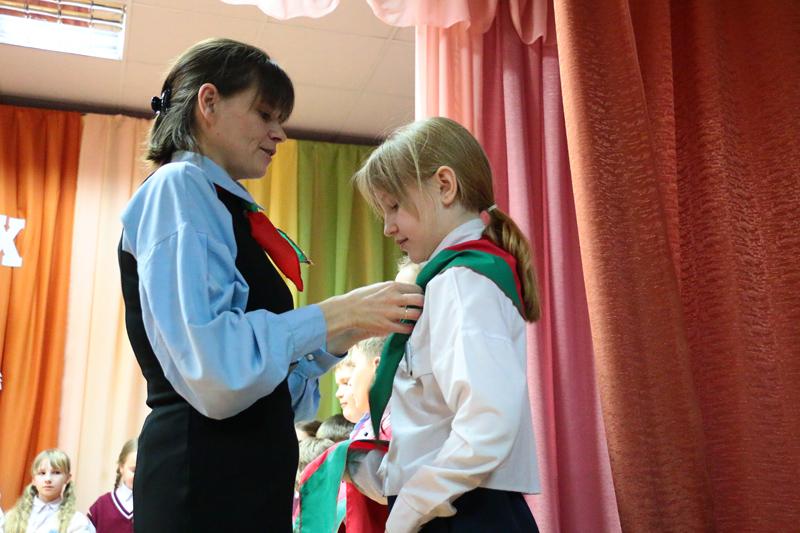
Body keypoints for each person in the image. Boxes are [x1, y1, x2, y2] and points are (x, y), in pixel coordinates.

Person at [117, 38, 423, 533]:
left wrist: (341, 334)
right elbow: (215, 373)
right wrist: (337, 314)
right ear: (209, 102)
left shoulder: (223, 205)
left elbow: (272, 393)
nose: (279, 133)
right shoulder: (178, 188)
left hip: (243, 479)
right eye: (264, 114)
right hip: (202, 483)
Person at [353, 116, 542, 532]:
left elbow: (488, 420)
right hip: (455, 503)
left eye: (394, 206)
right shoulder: (453, 279)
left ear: (444, 185)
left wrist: (411, 505)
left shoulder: (460, 281)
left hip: (462, 511)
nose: (387, 227)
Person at [1, 449, 95, 533]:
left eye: (56, 472)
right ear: (33, 479)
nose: (48, 479)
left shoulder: (77, 521)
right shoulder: (11, 517)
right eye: (42, 473)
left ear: (67, 478)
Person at [87, 439, 137, 533]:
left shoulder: (153, 506)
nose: (139, 475)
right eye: (134, 470)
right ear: (121, 467)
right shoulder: (101, 506)